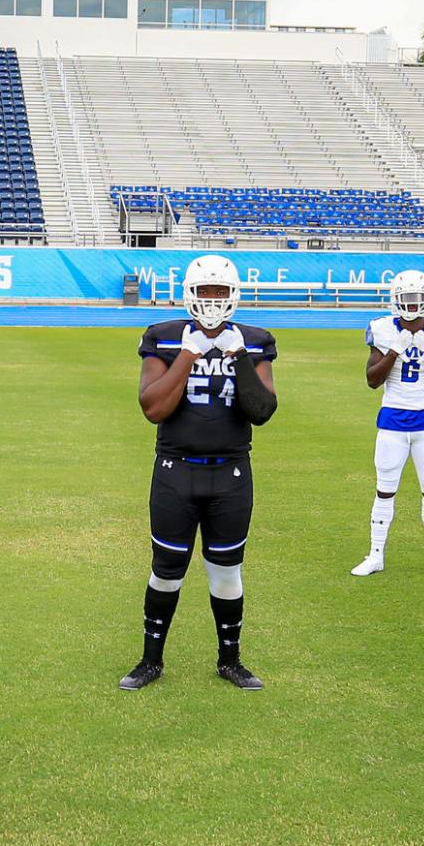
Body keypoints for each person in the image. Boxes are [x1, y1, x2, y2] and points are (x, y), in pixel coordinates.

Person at [122, 253, 278, 691]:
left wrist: (240, 357)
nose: (212, 300)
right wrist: (189, 354)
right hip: (175, 472)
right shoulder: (165, 338)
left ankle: (230, 660)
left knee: (226, 570)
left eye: (220, 291)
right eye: (204, 291)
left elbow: (262, 410)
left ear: (234, 295)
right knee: (166, 568)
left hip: (230, 474)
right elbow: (153, 407)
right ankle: (151, 660)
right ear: (189, 294)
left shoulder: (255, 339)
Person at [351, 266, 424, 579]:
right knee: (384, 490)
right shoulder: (381, 328)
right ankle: (375, 555)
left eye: (417, 298)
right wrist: (394, 351)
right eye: (406, 298)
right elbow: (373, 380)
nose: (412, 305)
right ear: (395, 299)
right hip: (392, 420)